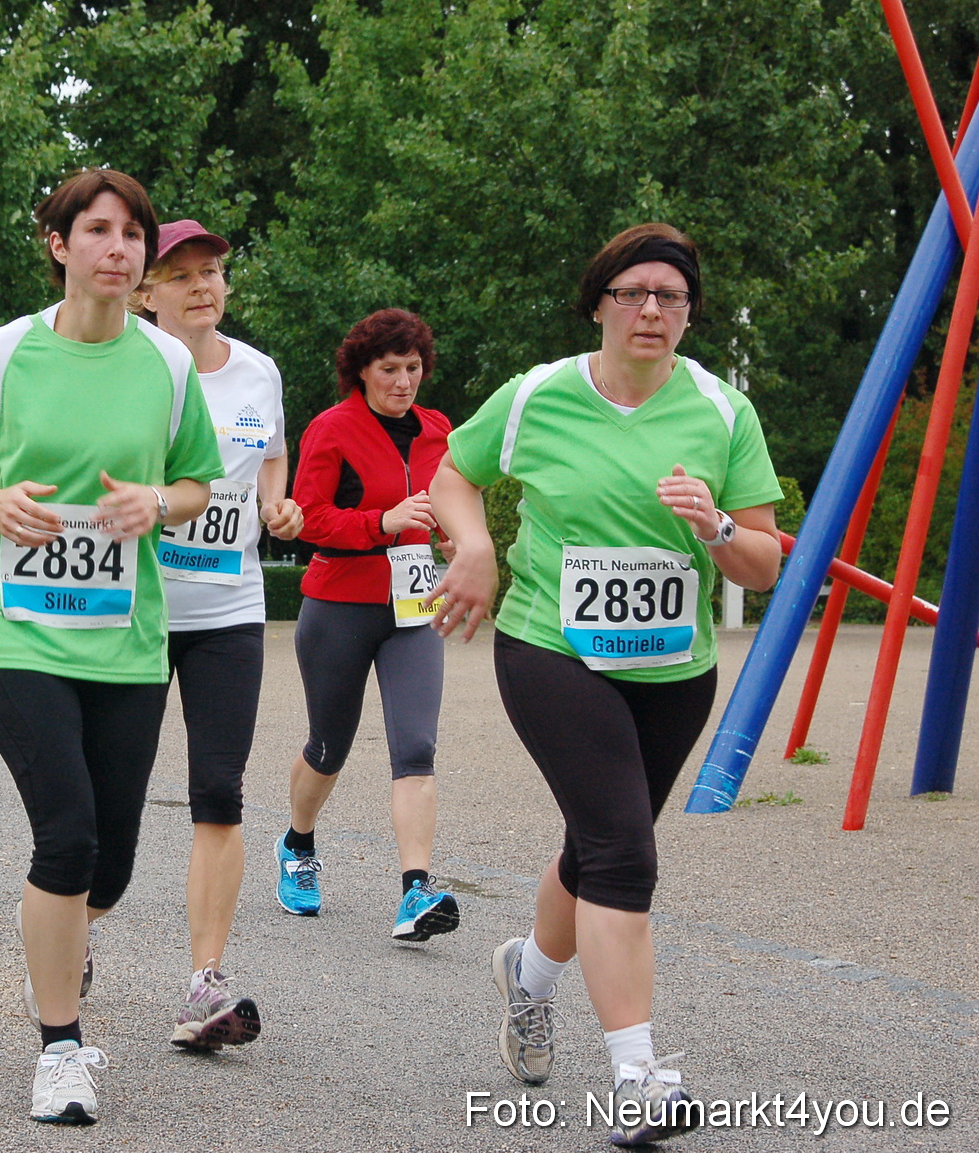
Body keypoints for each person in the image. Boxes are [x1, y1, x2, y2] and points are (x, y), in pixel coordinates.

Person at [428, 224, 782, 1147]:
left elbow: (767, 564)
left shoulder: (721, 410)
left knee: (596, 847)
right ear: (600, 303)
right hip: (553, 649)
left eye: (671, 296)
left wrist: (713, 530)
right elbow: (454, 475)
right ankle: (639, 1077)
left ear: (690, 314)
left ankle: (528, 979)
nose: (653, 310)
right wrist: (474, 548)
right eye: (633, 292)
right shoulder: (537, 395)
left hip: (674, 667)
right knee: (625, 852)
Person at [0, 169, 222, 1125]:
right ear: (60, 245)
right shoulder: (2, 356)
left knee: (114, 863)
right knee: (69, 833)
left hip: (127, 639)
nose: (118, 248)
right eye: (97, 230)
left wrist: (155, 503)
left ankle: (60, 929)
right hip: (18, 629)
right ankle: (61, 1047)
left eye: (132, 234)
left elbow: (201, 485)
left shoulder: (168, 366)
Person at [132, 219, 302, 1050]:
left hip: (228, 610)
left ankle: (206, 979)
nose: (204, 285)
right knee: (106, 792)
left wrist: (279, 502)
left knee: (220, 791)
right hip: (132, 610)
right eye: (184, 273)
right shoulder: (129, 366)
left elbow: (271, 459)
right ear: (144, 293)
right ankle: (72, 931)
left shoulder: (260, 372)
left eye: (215, 271)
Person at [275, 309, 462, 945]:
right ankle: (297, 845)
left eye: (413, 369)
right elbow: (308, 519)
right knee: (329, 746)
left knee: (416, 748)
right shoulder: (331, 429)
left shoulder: (439, 431)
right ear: (361, 371)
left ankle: (416, 890)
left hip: (415, 608)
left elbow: (454, 505)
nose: (404, 381)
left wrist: (461, 542)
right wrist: (381, 522)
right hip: (340, 604)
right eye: (390, 370)